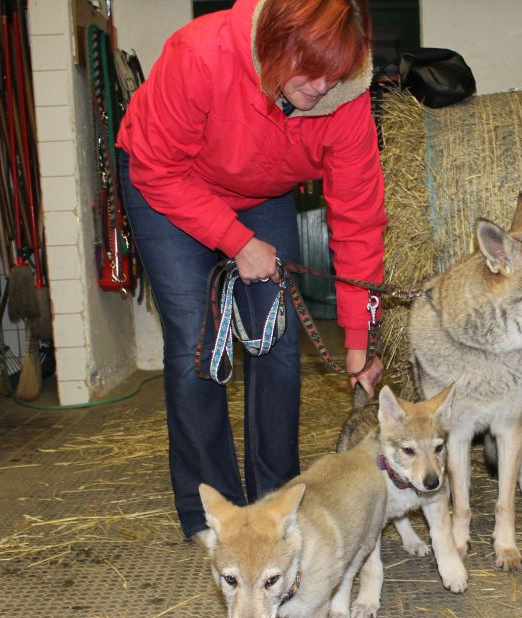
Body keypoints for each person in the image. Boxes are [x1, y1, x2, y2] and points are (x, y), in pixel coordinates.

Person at [116, 0, 386, 538]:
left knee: (277, 339)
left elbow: (358, 217)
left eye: (335, 76)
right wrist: (235, 240)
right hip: (168, 180)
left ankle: (275, 504)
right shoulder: (200, 53)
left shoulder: (342, 97)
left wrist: (361, 338)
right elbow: (157, 167)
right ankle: (211, 514)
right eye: (309, 72)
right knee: (198, 341)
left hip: (261, 188)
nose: (319, 90)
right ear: (278, 43)